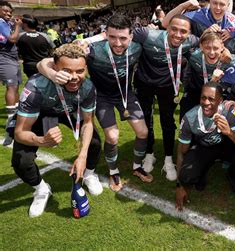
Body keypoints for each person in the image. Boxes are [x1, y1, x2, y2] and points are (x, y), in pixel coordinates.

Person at [38, 15, 151, 192]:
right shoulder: (92, 50)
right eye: (112, 37)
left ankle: (137, 167)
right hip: (102, 97)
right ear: (105, 34)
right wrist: (52, 75)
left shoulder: (138, 47)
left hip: (126, 95)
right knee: (112, 136)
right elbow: (44, 63)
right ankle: (114, 171)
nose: (118, 43)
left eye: (123, 38)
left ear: (131, 36)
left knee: (143, 132)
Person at [11, 43, 103, 218]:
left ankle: (89, 174)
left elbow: (88, 123)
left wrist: (82, 156)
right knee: (21, 160)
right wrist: (42, 141)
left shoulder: (88, 86)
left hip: (69, 110)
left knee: (95, 142)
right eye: (67, 71)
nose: (74, 77)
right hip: (40, 113)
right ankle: (41, 189)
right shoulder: (36, 87)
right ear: (54, 68)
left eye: (80, 71)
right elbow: (20, 132)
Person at [133, 14, 199, 179]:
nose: (178, 34)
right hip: (144, 83)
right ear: (167, 28)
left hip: (168, 85)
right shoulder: (147, 35)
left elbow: (209, 41)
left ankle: (169, 160)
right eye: (174, 29)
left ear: (189, 33)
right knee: (146, 118)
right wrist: (87, 42)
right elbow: (120, 34)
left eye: (183, 31)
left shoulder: (192, 41)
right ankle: (149, 154)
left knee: (168, 121)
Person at [175, 81, 235, 211]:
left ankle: (232, 174)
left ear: (220, 100)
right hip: (204, 148)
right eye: (203, 98)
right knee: (186, 176)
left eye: (211, 99)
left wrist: (229, 132)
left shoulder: (229, 113)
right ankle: (203, 170)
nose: (206, 103)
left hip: (227, 146)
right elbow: (181, 152)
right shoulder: (190, 118)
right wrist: (179, 185)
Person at [179, 31, 233, 119]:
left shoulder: (230, 61)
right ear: (201, 47)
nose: (212, 52)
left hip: (221, 96)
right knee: (186, 113)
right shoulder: (194, 57)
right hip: (197, 93)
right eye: (207, 48)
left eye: (215, 48)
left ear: (222, 47)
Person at [162, 0, 235, 41]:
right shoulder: (197, 15)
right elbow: (165, 24)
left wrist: (233, 31)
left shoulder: (233, 21)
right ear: (210, 2)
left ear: (228, 5)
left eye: (222, 4)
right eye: (215, 3)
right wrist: (182, 6)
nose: (218, 7)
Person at [0, 0, 22, 146]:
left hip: (12, 57)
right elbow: (13, 39)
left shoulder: (5, 23)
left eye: (10, 11)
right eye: (5, 11)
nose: (8, 14)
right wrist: (18, 27)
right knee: (12, 86)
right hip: (4, 57)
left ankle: (18, 113)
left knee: (17, 85)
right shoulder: (0, 22)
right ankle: (10, 119)